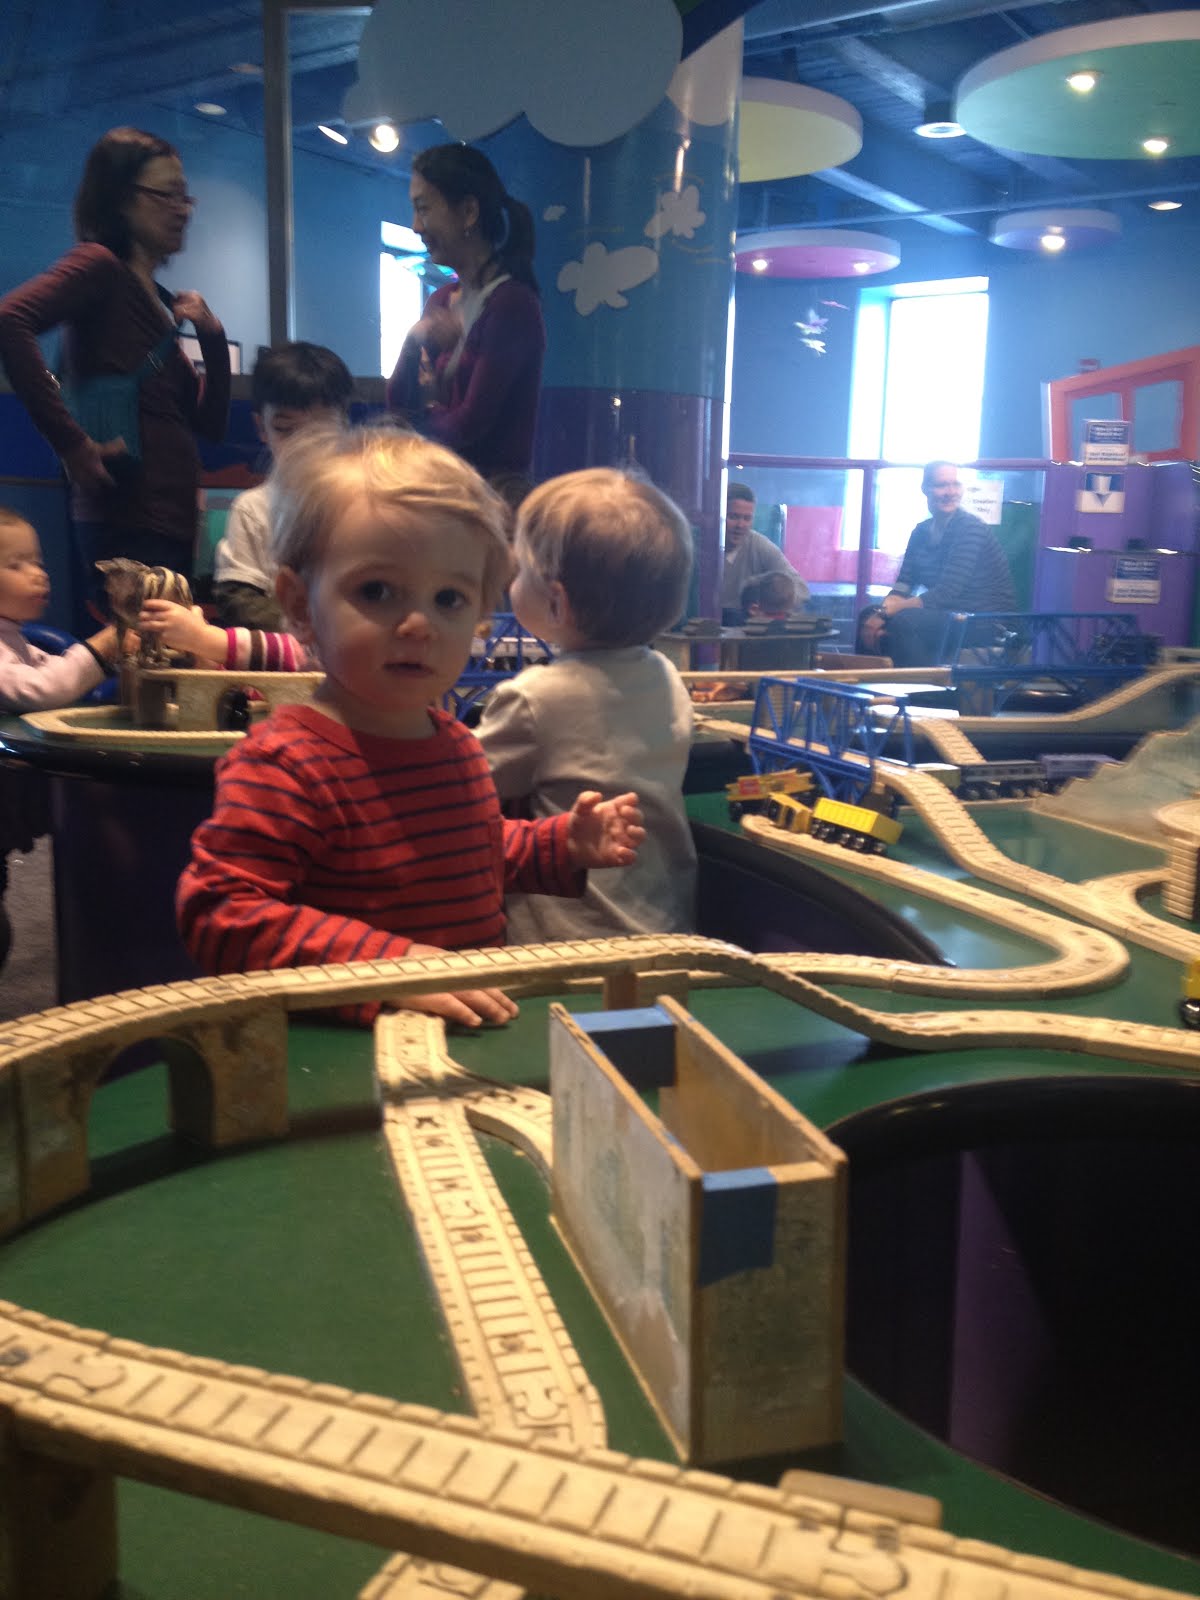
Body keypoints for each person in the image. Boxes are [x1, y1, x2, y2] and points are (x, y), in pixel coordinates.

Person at [176, 426, 644, 1029]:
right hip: (346, 1051)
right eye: (377, 591)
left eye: (449, 599)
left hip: (468, 1033)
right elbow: (219, 913)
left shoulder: (456, 745)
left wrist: (559, 844)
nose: (420, 624)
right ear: (297, 603)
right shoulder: (285, 765)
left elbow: (469, 852)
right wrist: (390, 968)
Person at [0, 127, 230, 630]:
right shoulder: (98, 265)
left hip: (166, 523)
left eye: (185, 196)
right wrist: (72, 444)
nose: (182, 209)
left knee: (159, 663)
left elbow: (209, 423)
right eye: (165, 195)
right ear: (122, 200)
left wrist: (212, 335)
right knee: (135, 663)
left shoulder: (157, 299)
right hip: (126, 523)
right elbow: (10, 318)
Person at [478, 467, 696, 943]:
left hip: (566, 936)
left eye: (520, 571)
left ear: (556, 603)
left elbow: (467, 784)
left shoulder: (534, 697)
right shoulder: (666, 675)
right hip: (662, 923)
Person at [0, 507, 128, 967]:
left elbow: (53, 670)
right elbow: (40, 689)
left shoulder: (13, 639)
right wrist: (102, 647)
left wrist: (113, 655)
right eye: (16, 565)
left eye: (37, 561)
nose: (38, 574)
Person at [386, 144, 544, 481]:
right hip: (446, 487)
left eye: (423, 209)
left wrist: (425, 415)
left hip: (492, 498)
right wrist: (413, 341)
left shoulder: (512, 303)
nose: (415, 226)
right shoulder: (441, 300)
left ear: (469, 211)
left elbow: (469, 425)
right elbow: (398, 405)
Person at [212, 341, 354, 629]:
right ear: (261, 428)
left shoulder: (365, 499)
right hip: (284, 645)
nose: (305, 444)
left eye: (321, 430)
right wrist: (311, 627)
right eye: (286, 429)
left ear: (345, 424)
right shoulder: (254, 508)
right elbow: (238, 599)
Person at [872, 460, 1015, 667]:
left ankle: (924, 686)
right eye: (941, 485)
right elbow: (903, 584)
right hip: (948, 615)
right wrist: (879, 614)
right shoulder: (920, 531)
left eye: (956, 484)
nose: (951, 492)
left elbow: (946, 592)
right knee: (867, 618)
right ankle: (872, 686)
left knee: (906, 622)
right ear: (925, 489)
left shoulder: (970, 529)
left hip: (985, 622)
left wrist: (888, 613)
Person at [720, 483, 806, 623]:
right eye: (733, 517)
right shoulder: (699, 545)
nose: (740, 525)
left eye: (747, 518)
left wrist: (770, 605)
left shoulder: (760, 546)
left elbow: (801, 589)